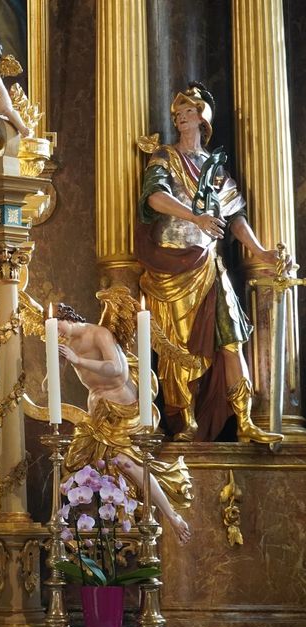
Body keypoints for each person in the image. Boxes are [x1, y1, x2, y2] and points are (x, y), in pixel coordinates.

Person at [137, 82, 286, 445]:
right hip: (172, 265)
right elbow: (155, 197)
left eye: (189, 111)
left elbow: (235, 216)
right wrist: (196, 217)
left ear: (203, 118)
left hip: (210, 264)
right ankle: (185, 420)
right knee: (180, 346)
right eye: (178, 112)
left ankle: (245, 420)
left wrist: (260, 252)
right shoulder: (165, 157)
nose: (181, 117)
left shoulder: (214, 167)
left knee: (231, 338)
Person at [54, 302, 193, 544]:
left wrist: (78, 360)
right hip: (97, 414)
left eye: (58, 326)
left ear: (67, 317)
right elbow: (61, 368)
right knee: (76, 464)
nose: (57, 333)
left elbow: (117, 369)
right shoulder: (67, 342)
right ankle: (92, 529)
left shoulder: (99, 333)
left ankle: (172, 516)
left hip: (122, 409)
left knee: (128, 463)